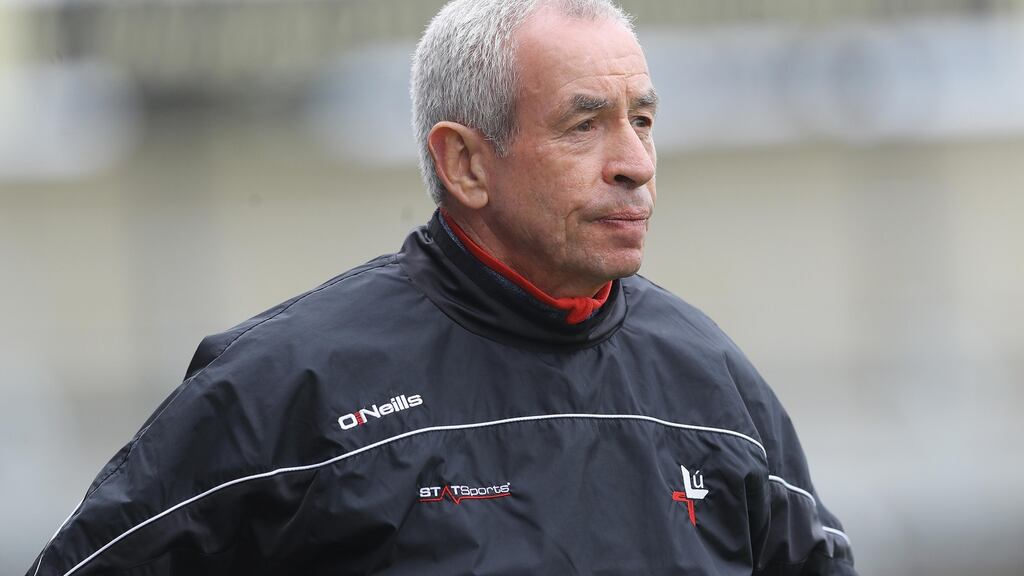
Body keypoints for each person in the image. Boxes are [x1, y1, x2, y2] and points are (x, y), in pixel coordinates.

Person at [27, 0, 857, 574]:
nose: (634, 164)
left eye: (641, 119)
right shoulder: (290, 390)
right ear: (464, 162)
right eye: (584, 124)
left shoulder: (711, 386)